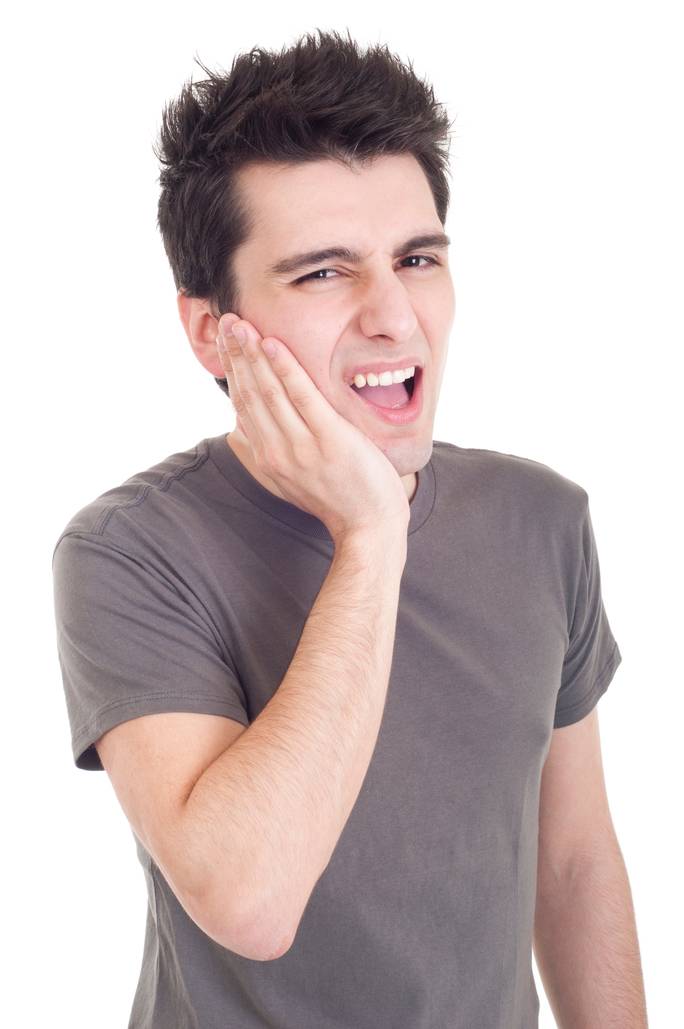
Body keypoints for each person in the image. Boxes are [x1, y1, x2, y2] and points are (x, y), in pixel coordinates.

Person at [51, 28, 648, 1029]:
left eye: (416, 258)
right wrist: (371, 534)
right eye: (323, 273)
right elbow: (249, 900)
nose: (394, 316)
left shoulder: (542, 520)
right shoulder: (128, 553)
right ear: (211, 331)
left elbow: (574, 859)